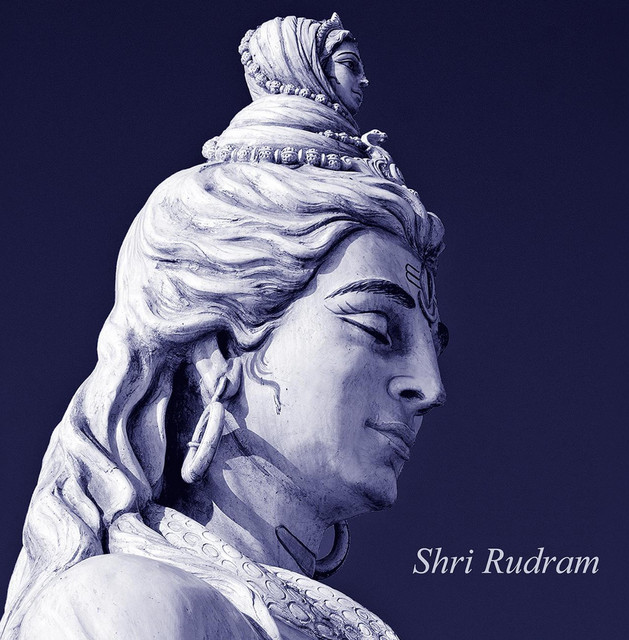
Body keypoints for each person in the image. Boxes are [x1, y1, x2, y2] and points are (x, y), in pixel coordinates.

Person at [1, 14, 447, 640]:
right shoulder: (129, 608)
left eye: (434, 344)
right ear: (220, 350)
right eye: (378, 328)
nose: (431, 387)